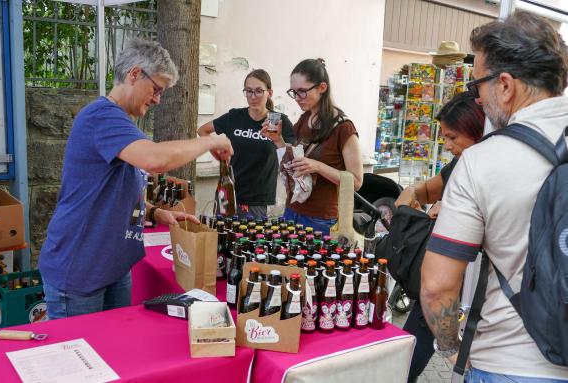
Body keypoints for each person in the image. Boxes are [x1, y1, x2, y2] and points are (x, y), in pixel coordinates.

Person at [39, 39, 233, 319]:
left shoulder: (118, 121)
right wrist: (209, 141)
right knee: (83, 357)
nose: (157, 99)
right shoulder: (102, 117)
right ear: (134, 73)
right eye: (156, 89)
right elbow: (155, 160)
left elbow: (113, 188)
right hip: (81, 269)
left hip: (112, 265)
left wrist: (155, 212)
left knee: (113, 353)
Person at [421, 11, 568, 381]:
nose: (479, 99)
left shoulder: (481, 161)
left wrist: (450, 344)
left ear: (505, 85)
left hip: (510, 364)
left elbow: (438, 285)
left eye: (477, 87)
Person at [394, 91, 485, 382]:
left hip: (468, 286)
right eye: (443, 138)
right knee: (410, 350)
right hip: (443, 289)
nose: (446, 146)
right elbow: (426, 189)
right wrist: (408, 196)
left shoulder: (488, 167)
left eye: (452, 138)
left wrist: (455, 210)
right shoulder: (462, 163)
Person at [262, 58, 363, 234]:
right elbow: (294, 162)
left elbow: (356, 181)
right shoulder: (304, 119)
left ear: (322, 88)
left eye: (302, 91)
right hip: (292, 211)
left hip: (322, 220)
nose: (297, 98)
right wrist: (277, 140)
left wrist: (318, 166)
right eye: (293, 92)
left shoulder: (344, 128)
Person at [198, 69, 294, 219]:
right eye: (248, 91)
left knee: (249, 241)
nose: (253, 97)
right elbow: (203, 131)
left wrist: (278, 139)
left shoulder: (278, 121)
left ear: (270, 92)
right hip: (227, 192)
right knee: (222, 237)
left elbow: (291, 157)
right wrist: (217, 154)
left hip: (256, 199)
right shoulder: (235, 116)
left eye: (258, 91)